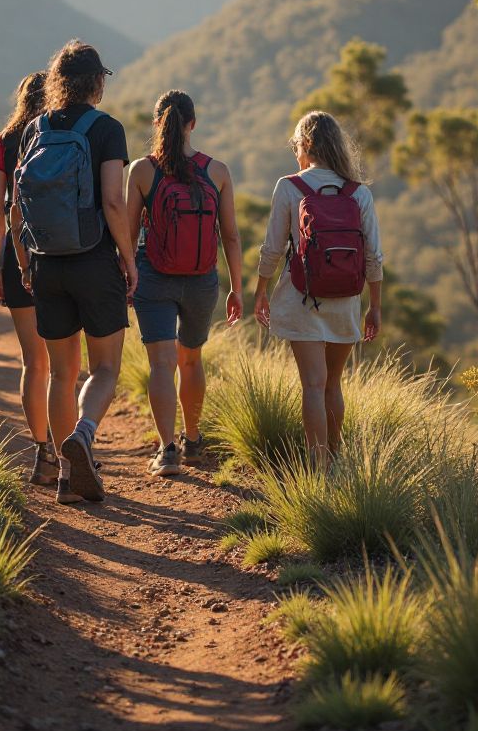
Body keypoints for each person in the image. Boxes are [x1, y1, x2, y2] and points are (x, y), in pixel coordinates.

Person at [11, 41, 135, 505]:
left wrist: (25, 264)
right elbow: (114, 202)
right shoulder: (106, 129)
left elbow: (16, 209)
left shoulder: (35, 128)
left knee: (62, 374)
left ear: (58, 79)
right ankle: (83, 436)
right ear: (98, 81)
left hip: (46, 262)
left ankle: (65, 477)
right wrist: (127, 257)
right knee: (104, 368)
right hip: (93, 260)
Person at [253, 111, 383, 466]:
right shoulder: (359, 194)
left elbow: (273, 248)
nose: (296, 153)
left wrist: (261, 289)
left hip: (302, 297)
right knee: (332, 385)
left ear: (306, 145)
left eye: (296, 146)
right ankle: (336, 461)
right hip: (345, 300)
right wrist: (375, 306)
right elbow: (374, 256)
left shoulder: (289, 187)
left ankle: (317, 468)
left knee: (312, 385)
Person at [126, 90, 244, 476]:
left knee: (161, 365)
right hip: (202, 280)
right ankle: (193, 441)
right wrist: (236, 289)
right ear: (193, 123)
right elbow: (231, 236)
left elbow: (127, 235)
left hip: (154, 277)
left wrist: (127, 274)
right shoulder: (218, 171)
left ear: (157, 123)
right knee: (190, 360)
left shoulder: (143, 171)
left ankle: (168, 450)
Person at [0, 71, 55, 486]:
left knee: (34, 361)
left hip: (18, 255)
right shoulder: (56, 134)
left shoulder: (4, 141)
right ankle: (71, 451)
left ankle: (42, 452)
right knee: (63, 364)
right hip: (63, 254)